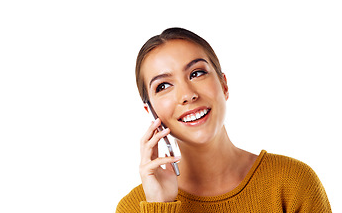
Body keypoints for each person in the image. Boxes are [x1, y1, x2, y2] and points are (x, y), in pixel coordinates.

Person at [116, 27, 331, 212]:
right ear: (150, 110)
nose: (187, 94)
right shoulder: (136, 207)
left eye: (196, 73)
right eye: (163, 86)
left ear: (224, 85)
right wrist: (159, 207)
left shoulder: (293, 183)